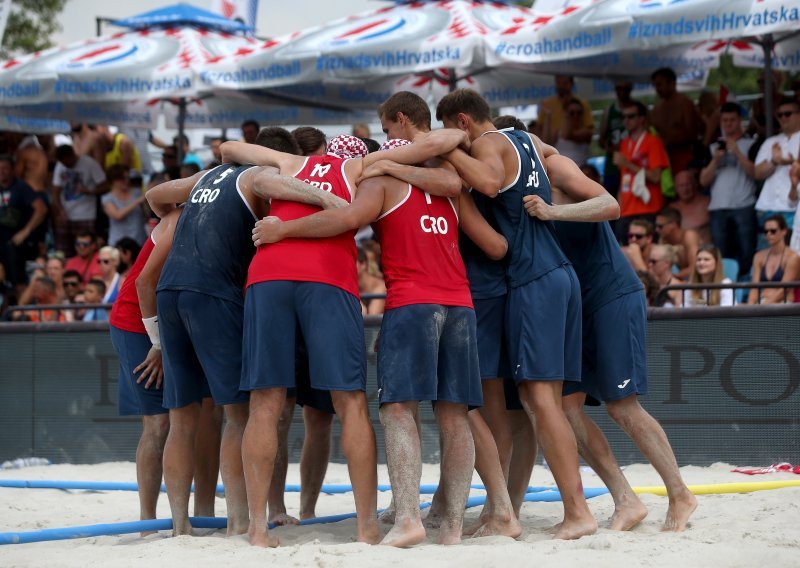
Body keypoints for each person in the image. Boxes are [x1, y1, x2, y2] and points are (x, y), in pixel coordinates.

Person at [249, 135, 511, 546]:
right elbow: (497, 246)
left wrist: (283, 229)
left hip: (410, 303)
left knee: (396, 410)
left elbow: (344, 220)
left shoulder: (378, 182)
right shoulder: (448, 187)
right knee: (456, 414)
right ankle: (453, 528)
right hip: (460, 303)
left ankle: (406, 518)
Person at [146, 150, 347, 539]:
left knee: (182, 418)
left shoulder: (205, 178)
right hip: (212, 292)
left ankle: (180, 525)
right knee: (238, 415)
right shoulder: (253, 175)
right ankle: (239, 520)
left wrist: (171, 214)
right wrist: (325, 198)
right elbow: (279, 183)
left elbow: (155, 194)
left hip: (169, 290)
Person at [435, 88, 597, 540]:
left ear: (463, 122)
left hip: (531, 279)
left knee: (542, 404)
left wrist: (448, 154)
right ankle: (515, 507)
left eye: (452, 131)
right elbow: (555, 162)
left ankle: (577, 510)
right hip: (559, 275)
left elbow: (487, 184)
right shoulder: (530, 141)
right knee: (539, 405)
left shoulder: (486, 145)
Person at [525, 153, 697, 532]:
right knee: (566, 409)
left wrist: (553, 212)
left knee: (623, 407)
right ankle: (625, 499)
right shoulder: (513, 188)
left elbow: (611, 204)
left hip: (611, 295)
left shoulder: (554, 168)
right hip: (577, 307)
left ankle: (680, 494)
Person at [126, 208, 223, 528]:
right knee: (159, 422)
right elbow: (143, 283)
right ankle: (147, 521)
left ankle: (205, 512)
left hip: (180, 317)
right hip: (140, 321)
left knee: (210, 413)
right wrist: (157, 343)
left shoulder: (216, 215)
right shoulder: (180, 217)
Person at [699, 102, 757, 278]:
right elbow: (703, 181)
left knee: (747, 251)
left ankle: (745, 288)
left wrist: (738, 152)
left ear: (740, 120)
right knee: (721, 254)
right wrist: (715, 160)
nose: (728, 124)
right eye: (725, 120)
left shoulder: (751, 144)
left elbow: (755, 173)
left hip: (744, 205)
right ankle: (725, 285)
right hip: (718, 207)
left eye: (732, 120)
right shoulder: (712, 148)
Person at [613, 101, 669, 242]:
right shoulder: (624, 143)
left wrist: (627, 164)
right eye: (623, 117)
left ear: (642, 119)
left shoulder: (653, 141)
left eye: (631, 116)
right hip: (626, 210)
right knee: (626, 256)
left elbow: (656, 177)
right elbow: (623, 179)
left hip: (648, 209)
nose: (626, 120)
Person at [754, 98, 800, 239]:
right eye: (779, 115)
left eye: (787, 114)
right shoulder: (770, 142)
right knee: (765, 255)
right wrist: (774, 161)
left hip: (793, 207)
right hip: (767, 207)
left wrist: (790, 161)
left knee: (792, 256)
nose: (783, 118)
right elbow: (757, 173)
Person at [0, 154, 48, 289]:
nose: (2, 172)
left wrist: (25, 231)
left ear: (12, 169)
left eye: (5, 168)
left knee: (18, 283)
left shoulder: (21, 187)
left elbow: (41, 209)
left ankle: (19, 310)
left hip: (15, 243)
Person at [52, 144, 108, 256]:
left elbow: (105, 186)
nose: (66, 165)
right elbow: (56, 191)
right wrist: (60, 210)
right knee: (64, 251)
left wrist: (90, 192)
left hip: (85, 214)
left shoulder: (90, 164)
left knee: (87, 250)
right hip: (66, 215)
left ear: (72, 155)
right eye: (63, 163)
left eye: (67, 162)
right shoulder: (60, 166)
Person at [649, 67, 701, 174]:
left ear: (672, 83)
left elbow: (693, 134)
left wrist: (670, 140)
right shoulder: (657, 109)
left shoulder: (685, 103)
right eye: (655, 85)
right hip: (663, 159)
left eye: (660, 84)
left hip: (684, 156)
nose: (657, 89)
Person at [748, 214, 800, 304]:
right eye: (766, 231)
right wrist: (750, 307)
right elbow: (754, 288)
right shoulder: (759, 256)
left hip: (784, 303)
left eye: (773, 231)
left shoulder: (793, 257)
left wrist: (763, 306)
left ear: (784, 231)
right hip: (762, 302)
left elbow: (784, 289)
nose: (768, 234)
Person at [539, 75, 594, 150]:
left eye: (565, 83)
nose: (561, 86)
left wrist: (564, 135)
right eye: (559, 83)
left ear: (572, 84)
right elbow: (540, 132)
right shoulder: (547, 105)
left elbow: (589, 132)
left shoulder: (582, 104)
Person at [599, 80, 634, 198]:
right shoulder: (609, 111)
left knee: (630, 195)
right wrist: (611, 148)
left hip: (632, 164)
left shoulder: (638, 110)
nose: (622, 92)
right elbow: (601, 140)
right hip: (613, 166)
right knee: (612, 198)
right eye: (619, 89)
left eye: (626, 89)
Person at [102, 166, 147, 247]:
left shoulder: (137, 192)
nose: (126, 181)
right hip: (118, 243)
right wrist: (138, 200)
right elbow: (117, 215)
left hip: (139, 241)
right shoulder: (107, 198)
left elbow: (146, 215)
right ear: (113, 180)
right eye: (122, 178)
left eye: (127, 177)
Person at [655, 207, 700, 279]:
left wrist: (671, 278)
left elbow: (696, 267)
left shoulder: (689, 236)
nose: (656, 230)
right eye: (656, 226)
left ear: (673, 224)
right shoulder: (663, 239)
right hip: (680, 279)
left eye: (660, 226)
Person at [671, 170, 710, 244]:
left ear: (695, 185)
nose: (685, 189)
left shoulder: (707, 203)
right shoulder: (672, 209)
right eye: (681, 185)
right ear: (676, 189)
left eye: (688, 184)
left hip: (706, 250)